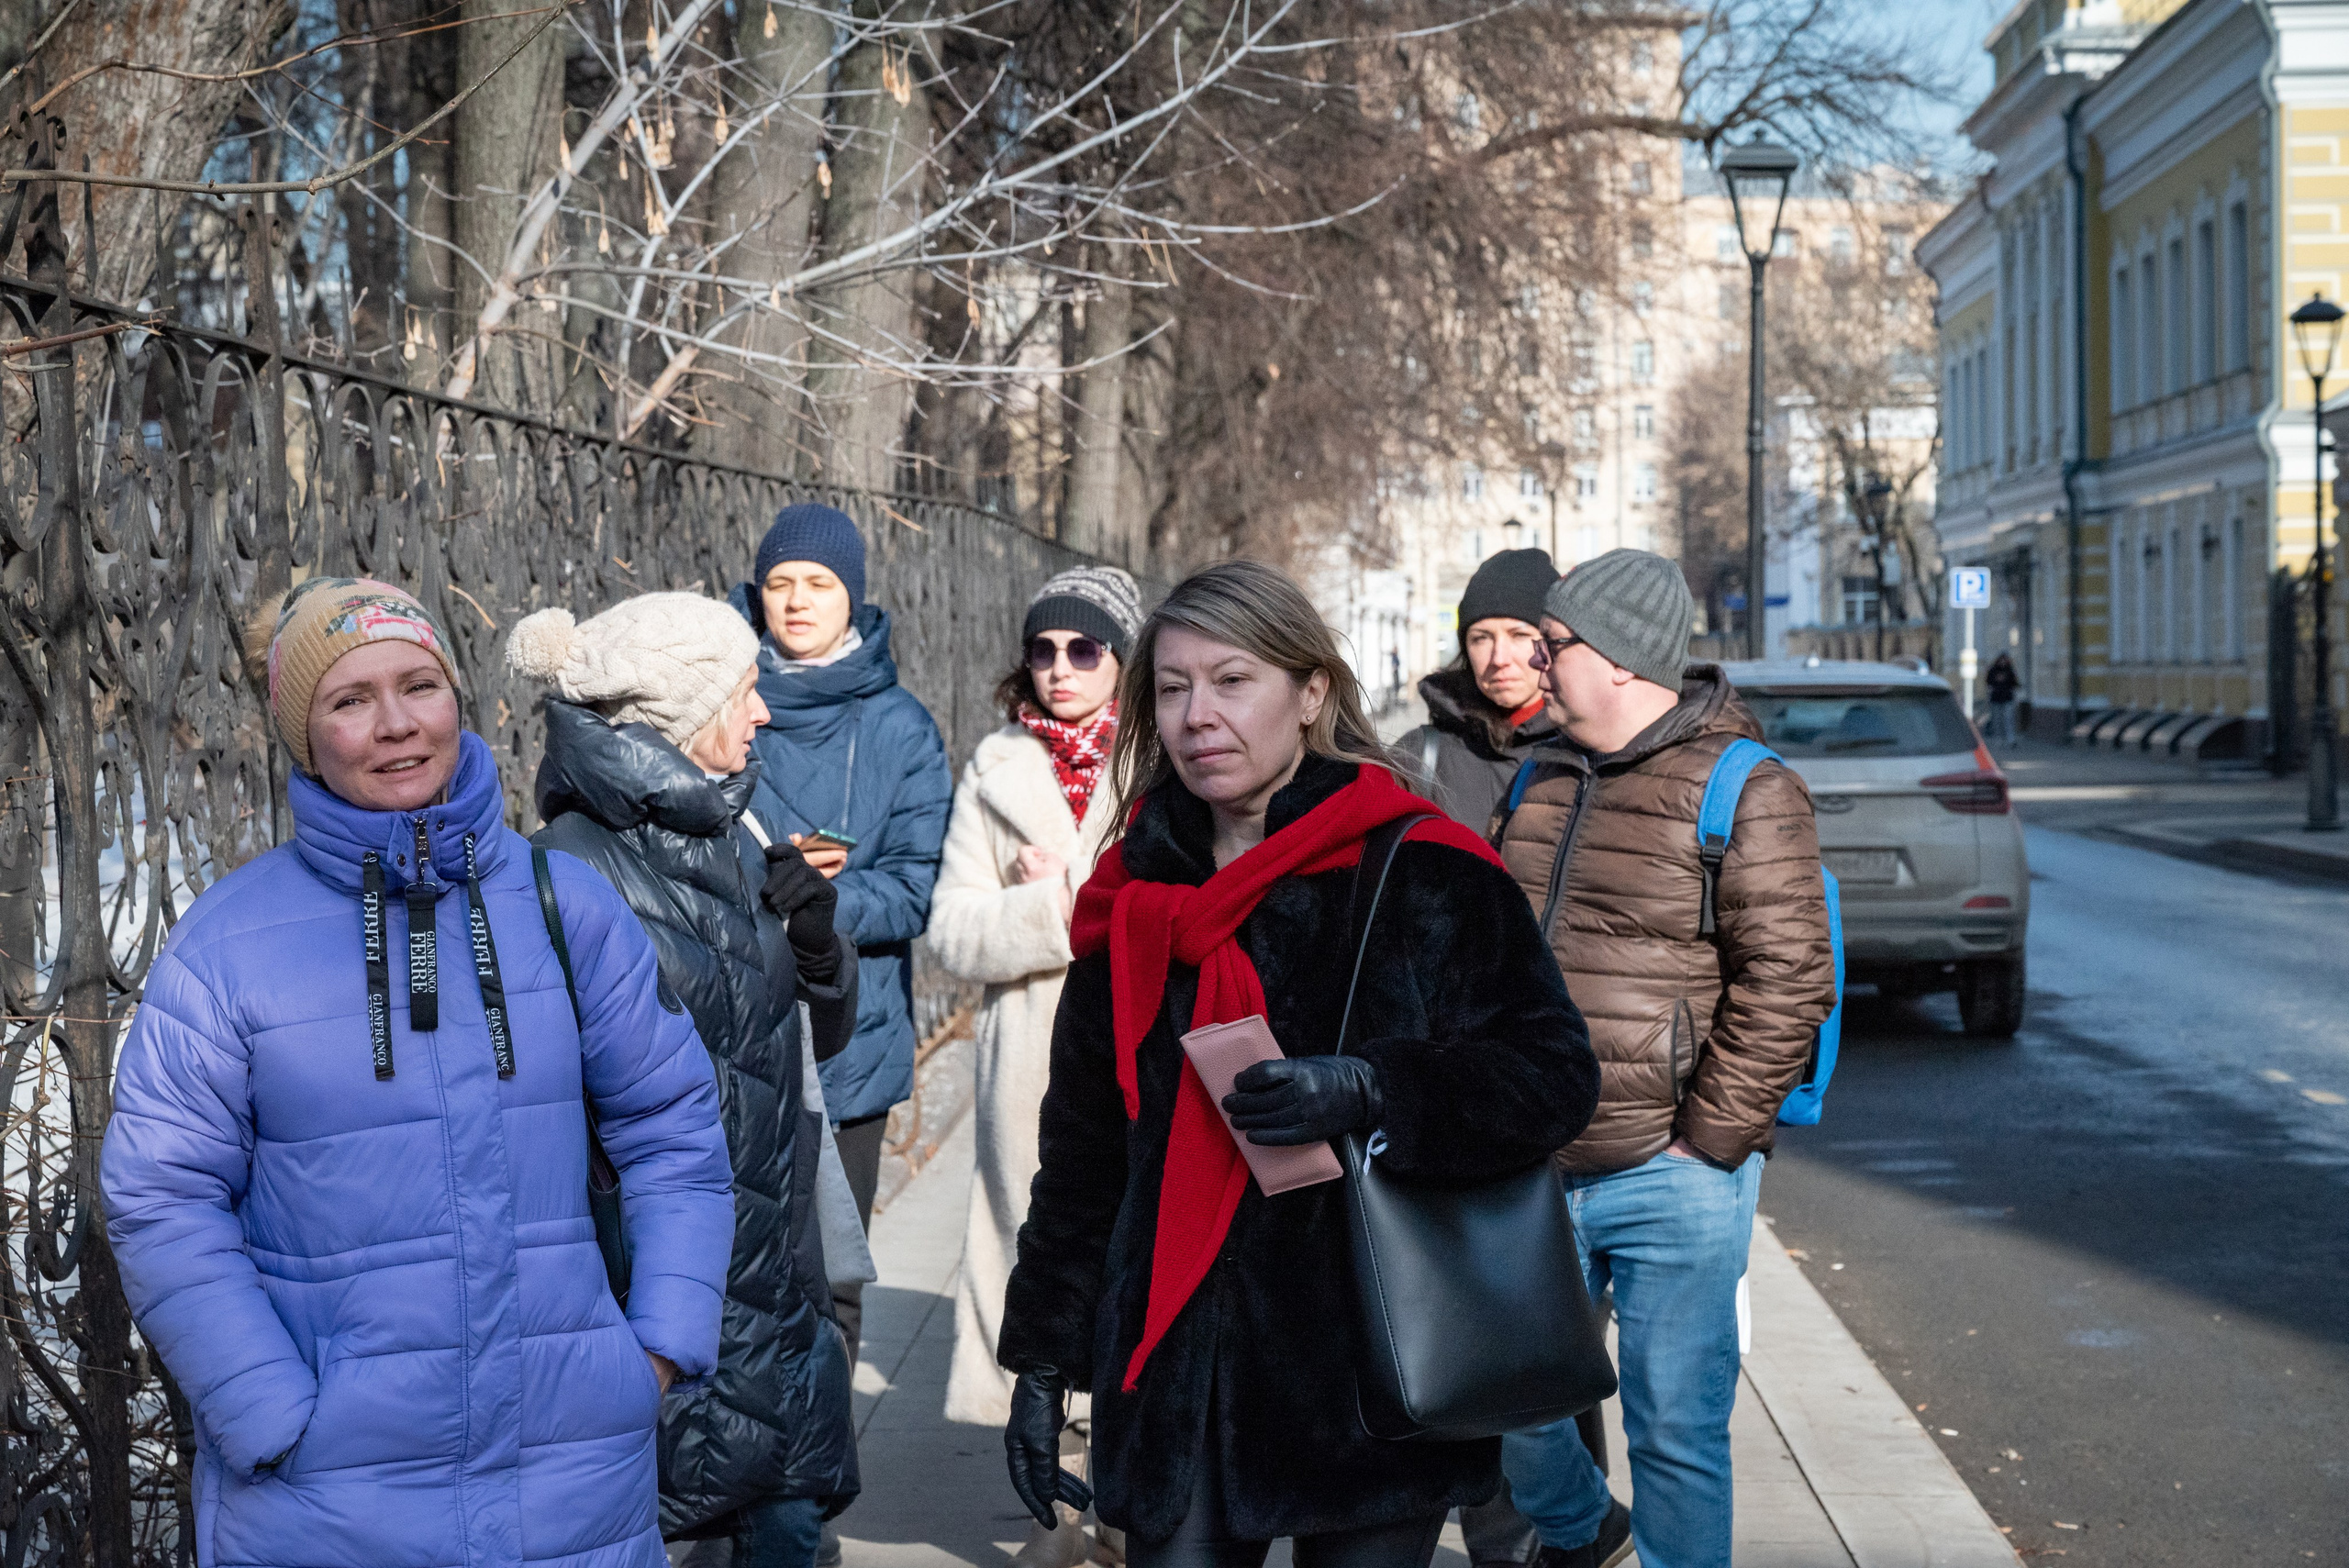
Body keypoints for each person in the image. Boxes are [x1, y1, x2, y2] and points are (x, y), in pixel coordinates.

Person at [101, 577, 734, 1568]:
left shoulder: (564, 904)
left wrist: (653, 1348)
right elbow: (159, 1196)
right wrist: (267, 1407)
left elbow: (674, 1131)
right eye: (349, 700)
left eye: (420, 684)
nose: (397, 724)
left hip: (569, 1482)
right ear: (304, 735)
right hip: (327, 1503)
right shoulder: (226, 945)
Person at [997, 561, 1600, 1568]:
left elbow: (1550, 1074)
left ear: (1310, 691)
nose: (1198, 715)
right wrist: (1044, 1357)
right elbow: (1087, 1150)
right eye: (1175, 687)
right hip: (1179, 1367)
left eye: (1232, 681)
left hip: (1363, 1367)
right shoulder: (1133, 896)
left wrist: (1372, 1087)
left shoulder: (1420, 863)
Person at [1491, 550, 1836, 1568]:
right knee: (1503, 1395)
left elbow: (1787, 980)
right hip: (1531, 1159)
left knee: (1675, 1434)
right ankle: (1580, 1526)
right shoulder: (1537, 774)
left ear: (1625, 659)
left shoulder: (1747, 786)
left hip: (1669, 1170)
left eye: (1551, 645)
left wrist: (1709, 1142)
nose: (1531, 664)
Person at [508, 593, 863, 1564]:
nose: (761, 713)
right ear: (676, 713)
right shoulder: (562, 872)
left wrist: (820, 947)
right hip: (660, 1341)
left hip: (772, 1318)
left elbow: (807, 1048)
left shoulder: (734, 834)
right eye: (744, 691)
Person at [928, 565, 1143, 1567]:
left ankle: (1132, 1513)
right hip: (1031, 1065)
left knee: (1142, 1273)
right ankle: (1063, 1526)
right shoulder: (998, 763)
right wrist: (1065, 907)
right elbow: (956, 933)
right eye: (1043, 648)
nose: (1059, 668)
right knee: (1044, 1273)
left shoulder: (1164, 756)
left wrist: (1069, 893)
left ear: (1123, 656)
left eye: (1084, 648)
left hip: (1144, 1045)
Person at [729, 503, 953, 1366]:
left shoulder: (901, 728)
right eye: (779, 583)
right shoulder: (722, 703)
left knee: (832, 1277)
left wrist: (817, 903)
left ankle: (822, 1492)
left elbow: (912, 890)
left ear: (852, 600)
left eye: (818, 583)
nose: (795, 601)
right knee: (741, 1273)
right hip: (738, 1020)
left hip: (851, 1038)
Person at [1393, 548, 1562, 830]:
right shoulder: (1420, 756)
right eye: (1481, 638)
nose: (1499, 659)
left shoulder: (1591, 751)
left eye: (1519, 635)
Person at [1985, 651, 2021, 747]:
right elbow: (1988, 682)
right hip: (1996, 699)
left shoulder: (2009, 671)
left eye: (2005, 660)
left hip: (2008, 698)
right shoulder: (1993, 670)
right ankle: (1998, 739)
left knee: (2009, 719)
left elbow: (2015, 683)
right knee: (1997, 721)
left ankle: (2011, 739)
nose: (2003, 662)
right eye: (2001, 660)